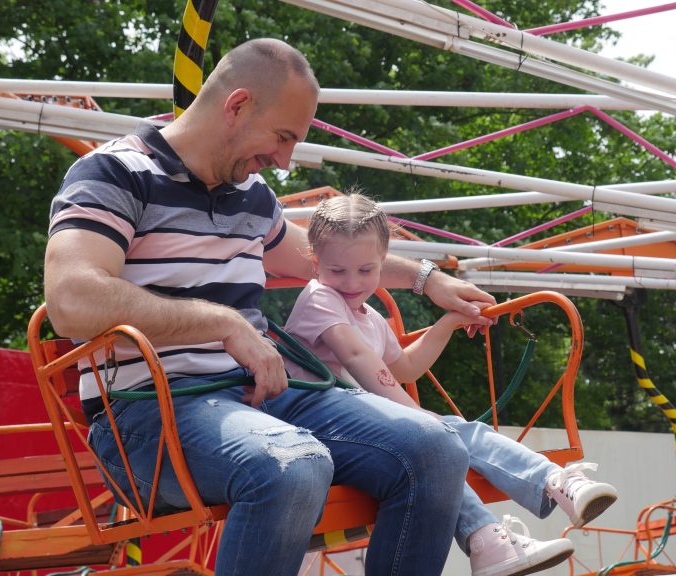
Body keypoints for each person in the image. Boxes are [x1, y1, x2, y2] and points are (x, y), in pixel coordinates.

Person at [44, 38, 500, 576]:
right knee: (292, 464)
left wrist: (429, 280)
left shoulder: (252, 194)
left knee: (436, 448)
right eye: (283, 137)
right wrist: (222, 323)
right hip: (150, 416)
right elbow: (71, 298)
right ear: (237, 105)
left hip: (264, 400)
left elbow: (326, 258)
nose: (285, 160)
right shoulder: (114, 173)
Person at [283, 192, 620, 576]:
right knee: (437, 439)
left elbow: (406, 368)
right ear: (315, 263)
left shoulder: (371, 318)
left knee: (462, 432)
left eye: (365, 270)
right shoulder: (320, 298)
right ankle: (488, 538)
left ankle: (552, 483)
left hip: (368, 431)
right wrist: (418, 419)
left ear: (383, 260)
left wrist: (448, 324)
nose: (351, 282)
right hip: (321, 428)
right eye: (337, 270)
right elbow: (357, 357)